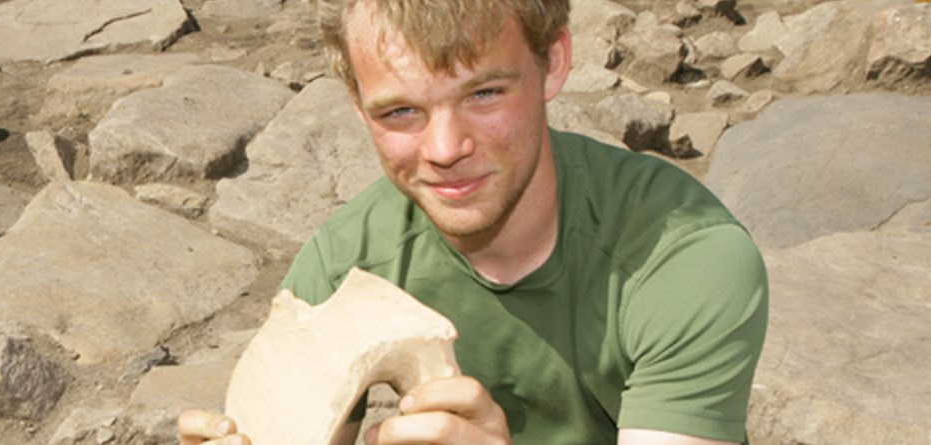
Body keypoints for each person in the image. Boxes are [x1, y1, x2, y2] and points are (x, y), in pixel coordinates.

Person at [178, 0, 768, 443]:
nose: (445, 147)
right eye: (401, 110)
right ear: (358, 105)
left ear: (553, 62)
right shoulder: (346, 266)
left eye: (484, 94)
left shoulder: (685, 257)